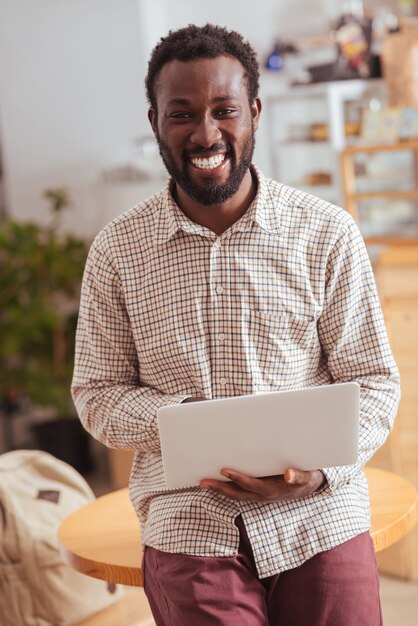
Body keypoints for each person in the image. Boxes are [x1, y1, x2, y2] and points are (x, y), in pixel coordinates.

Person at [72, 23, 400, 626]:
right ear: (154, 123)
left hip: (319, 511)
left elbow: (376, 382)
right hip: (188, 517)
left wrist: (321, 472)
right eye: (182, 113)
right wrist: (192, 425)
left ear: (253, 113)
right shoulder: (117, 251)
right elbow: (96, 395)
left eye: (224, 110)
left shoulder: (327, 233)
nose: (205, 133)